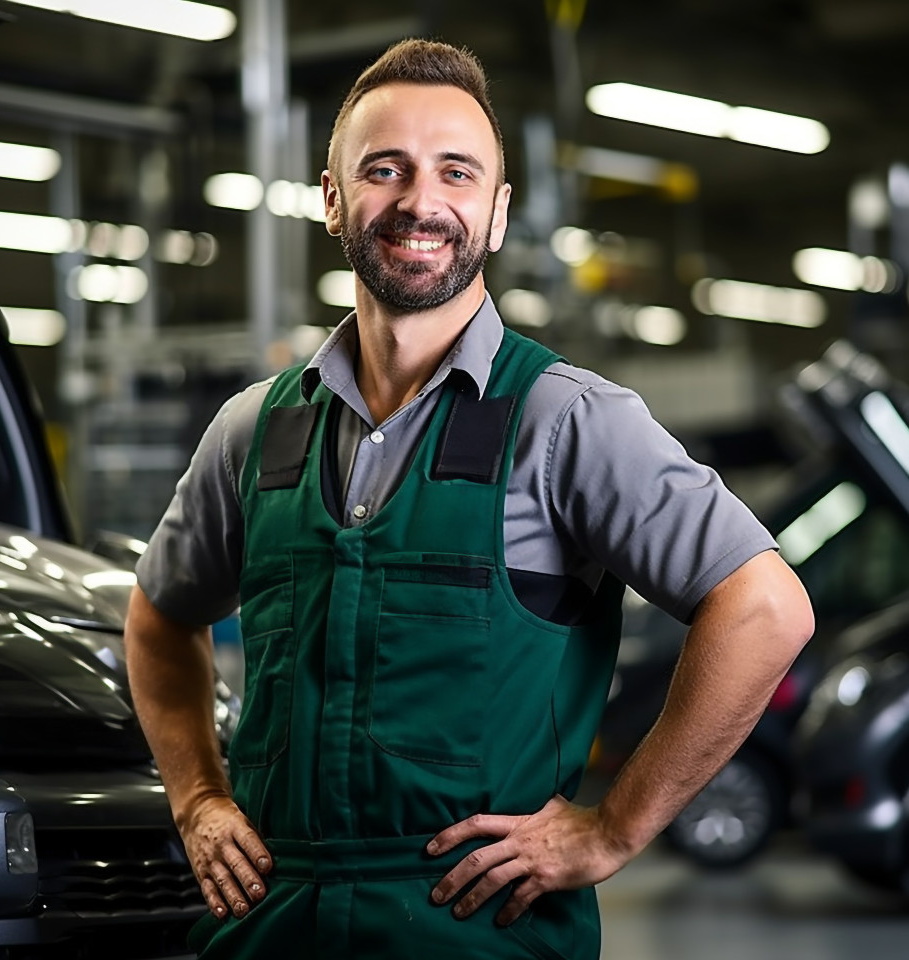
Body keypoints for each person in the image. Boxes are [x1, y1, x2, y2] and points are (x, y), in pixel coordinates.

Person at [125, 38, 814, 960]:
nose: (421, 201)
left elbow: (765, 608)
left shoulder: (567, 421)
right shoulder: (254, 431)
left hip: (479, 932)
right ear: (331, 199)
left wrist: (612, 830)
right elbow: (158, 616)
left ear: (497, 214)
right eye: (385, 169)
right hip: (271, 927)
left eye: (457, 172)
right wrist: (198, 798)